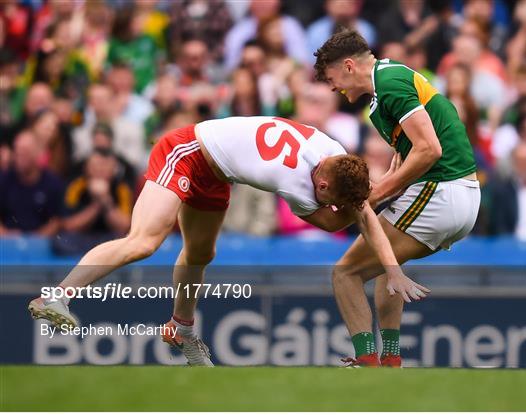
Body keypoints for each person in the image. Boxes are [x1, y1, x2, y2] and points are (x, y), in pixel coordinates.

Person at [28, 115, 425, 366]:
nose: (334, 205)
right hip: (184, 151)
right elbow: (332, 223)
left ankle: (181, 329)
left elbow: (362, 213)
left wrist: (390, 267)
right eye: (332, 199)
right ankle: (57, 295)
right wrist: (360, 209)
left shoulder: (335, 156)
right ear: (322, 184)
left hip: (217, 172)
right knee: (144, 241)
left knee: (201, 252)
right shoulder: (293, 181)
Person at [314, 29, 479, 367]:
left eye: (332, 78)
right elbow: (408, 159)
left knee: (344, 274)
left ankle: (367, 360)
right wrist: (384, 188)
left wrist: (377, 194)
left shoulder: (389, 82)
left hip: (441, 191)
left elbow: (429, 150)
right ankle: (390, 359)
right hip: (454, 194)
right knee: (384, 259)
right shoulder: (383, 94)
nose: (333, 88)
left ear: (348, 66)